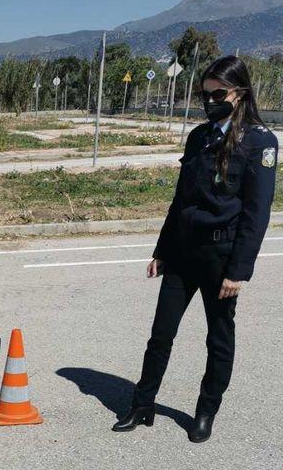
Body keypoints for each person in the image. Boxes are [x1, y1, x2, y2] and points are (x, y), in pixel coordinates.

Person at [114, 55, 278, 443]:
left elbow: (257, 214)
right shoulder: (199, 136)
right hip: (184, 253)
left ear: (239, 94)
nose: (209, 102)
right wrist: (162, 249)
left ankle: (206, 411)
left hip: (222, 259)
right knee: (161, 333)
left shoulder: (259, 142)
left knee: (218, 338)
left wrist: (239, 270)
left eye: (217, 94)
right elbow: (180, 199)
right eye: (204, 95)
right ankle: (143, 404)